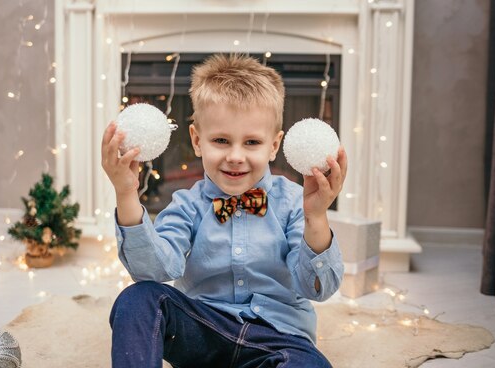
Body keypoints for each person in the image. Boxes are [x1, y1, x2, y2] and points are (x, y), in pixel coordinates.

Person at [102, 54, 348, 368]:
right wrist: (126, 193)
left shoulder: (294, 203)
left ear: (274, 146)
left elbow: (318, 289)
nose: (235, 156)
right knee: (137, 299)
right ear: (196, 140)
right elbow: (153, 272)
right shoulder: (187, 205)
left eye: (251, 142)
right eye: (221, 140)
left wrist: (317, 217)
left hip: (280, 340)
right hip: (203, 333)